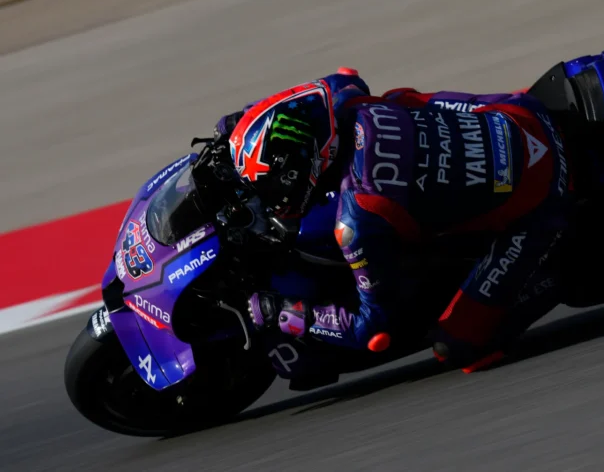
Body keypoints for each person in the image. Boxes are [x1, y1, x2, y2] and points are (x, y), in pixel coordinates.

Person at [211, 67, 582, 372]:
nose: (272, 198)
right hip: (520, 114)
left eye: (275, 188)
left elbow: (370, 328)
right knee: (398, 100)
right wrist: (243, 122)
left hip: (541, 199)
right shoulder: (346, 100)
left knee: (457, 346)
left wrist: (285, 312)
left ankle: (561, 271)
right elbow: (339, 78)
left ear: (305, 169)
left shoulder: (357, 220)